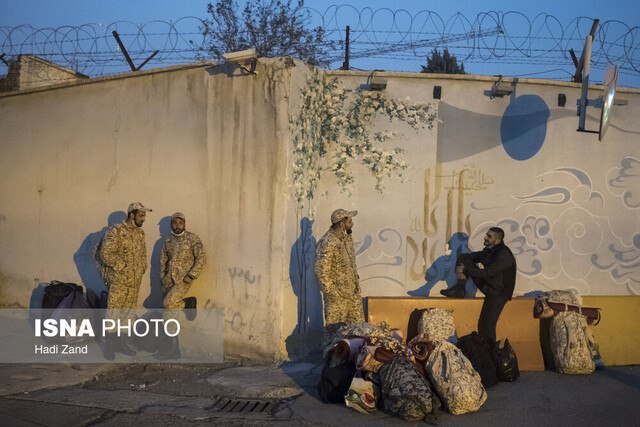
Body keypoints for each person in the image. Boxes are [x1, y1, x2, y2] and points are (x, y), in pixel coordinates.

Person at [441, 227, 517, 343]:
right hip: (491, 286)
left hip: (500, 293)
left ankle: (490, 351)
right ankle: (460, 288)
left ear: (497, 241)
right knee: (464, 258)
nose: (485, 237)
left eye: (489, 236)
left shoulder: (503, 254)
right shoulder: (489, 250)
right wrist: (462, 269)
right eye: (486, 234)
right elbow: (469, 258)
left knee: (488, 325)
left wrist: (465, 270)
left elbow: (487, 273)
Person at [98, 201, 152, 357]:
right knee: (114, 312)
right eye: (141, 215)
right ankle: (110, 345)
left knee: (128, 313)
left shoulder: (140, 233)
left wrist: (142, 268)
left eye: (144, 216)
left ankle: (121, 343)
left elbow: (143, 253)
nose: (143, 219)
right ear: (132, 215)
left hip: (134, 282)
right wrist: (122, 267)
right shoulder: (115, 230)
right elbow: (106, 254)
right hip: (119, 281)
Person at [315, 209, 365, 337]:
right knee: (335, 335)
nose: (352, 224)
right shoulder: (328, 242)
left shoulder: (345, 238)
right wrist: (332, 294)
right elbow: (321, 270)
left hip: (352, 296)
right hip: (337, 299)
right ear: (342, 224)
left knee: (357, 333)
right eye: (349, 221)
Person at [160, 212, 206, 310]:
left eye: (180, 223)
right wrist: (162, 278)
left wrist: (191, 275)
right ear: (171, 224)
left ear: (184, 224)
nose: (178, 225)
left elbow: (201, 258)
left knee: (169, 303)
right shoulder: (167, 240)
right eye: (175, 223)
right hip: (168, 280)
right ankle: (172, 322)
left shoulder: (192, 238)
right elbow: (163, 261)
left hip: (183, 279)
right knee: (169, 311)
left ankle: (188, 303)